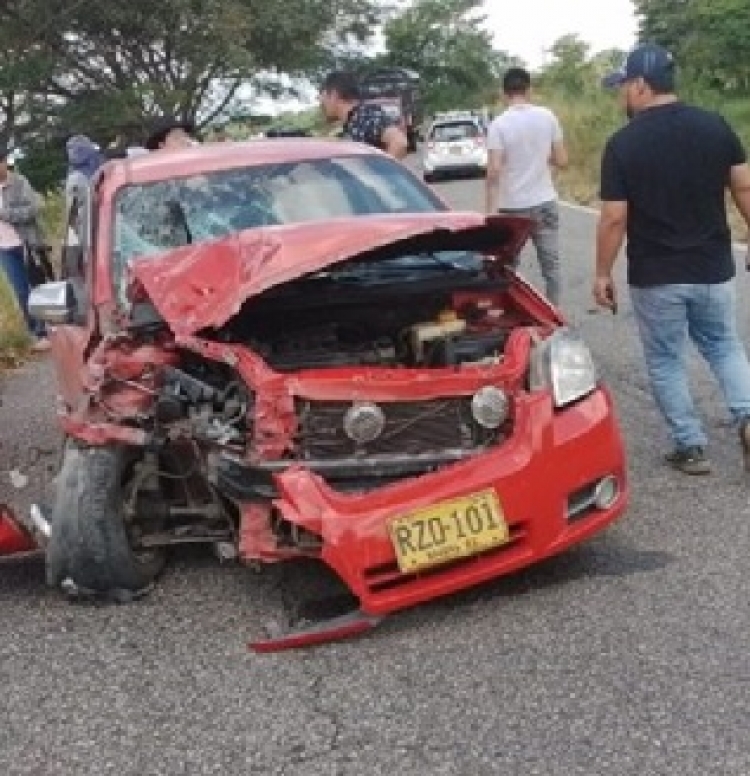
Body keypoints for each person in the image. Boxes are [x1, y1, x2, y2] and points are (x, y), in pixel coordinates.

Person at [594, 43, 750, 475]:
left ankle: (690, 445)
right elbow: (744, 188)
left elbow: (613, 218)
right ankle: (749, 418)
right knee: (724, 346)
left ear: (640, 85)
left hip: (657, 275)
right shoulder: (715, 126)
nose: (621, 94)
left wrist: (602, 273)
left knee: (665, 359)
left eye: (623, 85)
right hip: (714, 269)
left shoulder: (623, 143)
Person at [485, 67, 568, 308]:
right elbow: (562, 160)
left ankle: (513, 313)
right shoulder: (547, 116)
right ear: (529, 90)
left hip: (512, 207)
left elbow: (494, 171)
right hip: (544, 201)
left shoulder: (498, 125)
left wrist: (490, 212)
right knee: (551, 266)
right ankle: (555, 317)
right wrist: (541, 158)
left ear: (504, 93)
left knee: (508, 266)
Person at [0, 146, 49, 352]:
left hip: (27, 243)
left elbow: (34, 208)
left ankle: (49, 328)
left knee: (38, 286)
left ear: (3, 162)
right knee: (20, 291)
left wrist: (5, 214)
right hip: (4, 247)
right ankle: (36, 333)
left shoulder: (20, 182)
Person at [319, 71, 408, 160]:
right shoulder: (353, 121)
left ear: (334, 95)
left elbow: (399, 142)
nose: (322, 104)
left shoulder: (365, 116)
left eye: (323, 97)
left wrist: (379, 173)